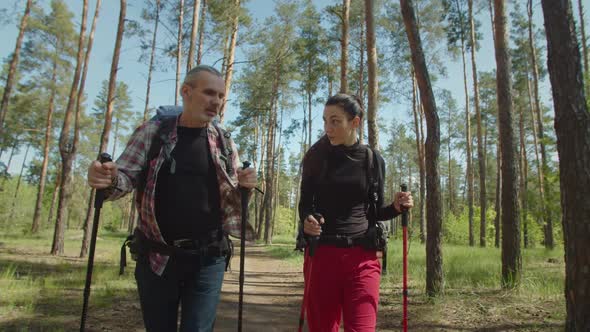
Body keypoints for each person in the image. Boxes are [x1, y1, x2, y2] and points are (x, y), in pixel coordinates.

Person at [87, 65, 257, 332]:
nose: (216, 101)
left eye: (222, 96)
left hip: (209, 257)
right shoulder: (153, 133)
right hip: (157, 257)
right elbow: (125, 178)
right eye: (209, 93)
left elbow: (232, 197)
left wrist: (245, 187)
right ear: (186, 92)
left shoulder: (224, 141)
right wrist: (106, 179)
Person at [298, 93, 414, 332]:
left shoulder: (373, 160)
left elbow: (375, 212)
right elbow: (304, 205)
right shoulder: (315, 157)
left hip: (363, 258)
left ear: (355, 122)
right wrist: (307, 221)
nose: (327, 128)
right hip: (322, 256)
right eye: (325, 121)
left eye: (335, 121)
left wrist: (395, 208)